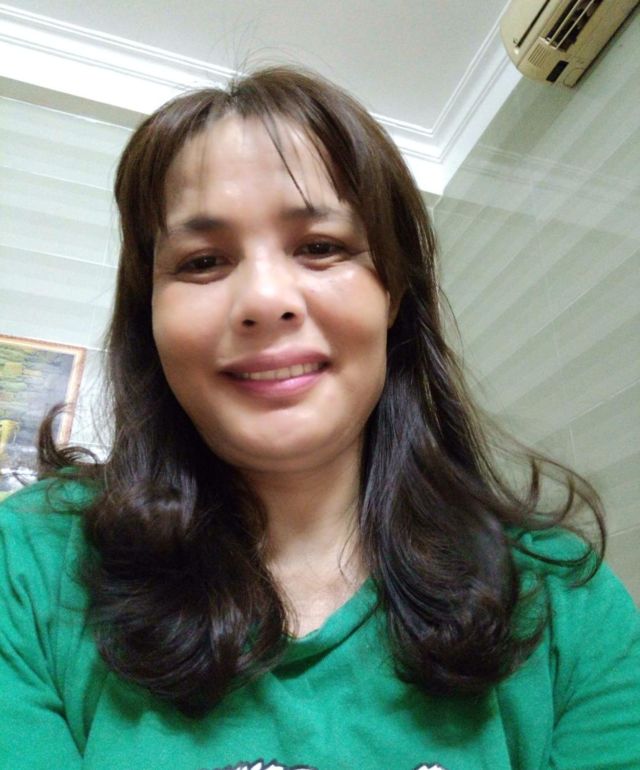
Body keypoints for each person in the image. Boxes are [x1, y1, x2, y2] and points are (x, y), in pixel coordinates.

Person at [0, 67, 638, 770]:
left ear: (393, 293)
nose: (265, 299)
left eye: (320, 247)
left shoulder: (567, 605)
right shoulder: (26, 566)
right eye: (203, 261)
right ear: (149, 316)